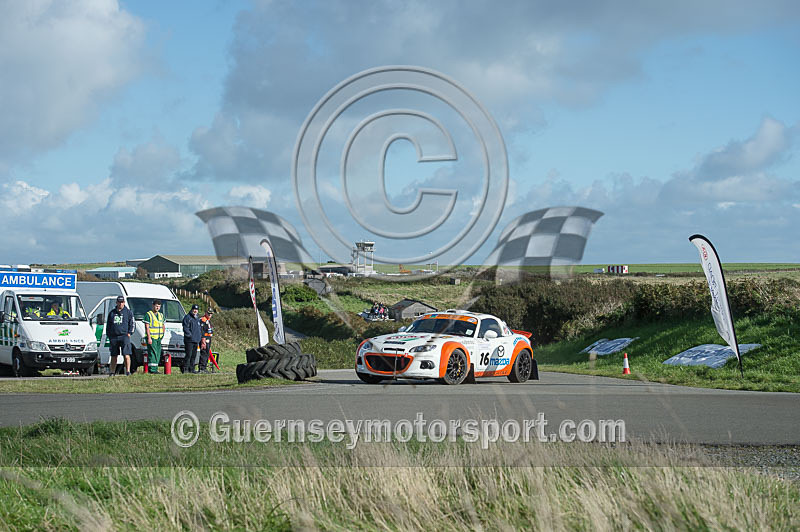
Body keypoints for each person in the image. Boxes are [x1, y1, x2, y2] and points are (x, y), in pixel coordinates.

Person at [107, 296, 134, 376]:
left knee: (126, 354)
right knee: (113, 355)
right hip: (114, 337)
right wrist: (109, 335)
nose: (120, 304)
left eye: (122, 302)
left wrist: (129, 333)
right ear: (116, 302)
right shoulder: (112, 313)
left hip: (124, 336)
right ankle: (112, 372)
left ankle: (128, 371)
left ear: (124, 303)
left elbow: (132, 324)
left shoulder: (128, 312)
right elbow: (108, 325)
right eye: (119, 302)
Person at [143, 299, 165, 374]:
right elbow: (147, 327)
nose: (157, 308)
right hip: (152, 337)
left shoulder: (161, 315)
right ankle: (152, 369)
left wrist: (162, 334)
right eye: (156, 306)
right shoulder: (148, 314)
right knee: (152, 353)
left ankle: (155, 368)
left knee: (158, 353)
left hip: (158, 337)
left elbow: (163, 325)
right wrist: (149, 338)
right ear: (153, 306)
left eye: (159, 306)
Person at [182, 304, 202, 373]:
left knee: (194, 355)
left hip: (196, 340)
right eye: (194, 309)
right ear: (192, 309)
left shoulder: (197, 318)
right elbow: (185, 328)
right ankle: (185, 369)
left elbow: (199, 329)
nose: (195, 311)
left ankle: (192, 369)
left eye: (196, 310)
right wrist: (189, 336)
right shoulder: (187, 317)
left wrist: (199, 337)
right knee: (188, 355)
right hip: (189, 340)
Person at [198, 307, 214, 373]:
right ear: (205, 313)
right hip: (204, 339)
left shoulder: (208, 320)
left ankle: (204, 367)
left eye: (211, 313)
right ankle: (202, 368)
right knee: (204, 353)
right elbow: (202, 331)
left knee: (207, 353)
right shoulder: (203, 320)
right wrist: (203, 340)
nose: (210, 315)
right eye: (208, 313)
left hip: (208, 338)